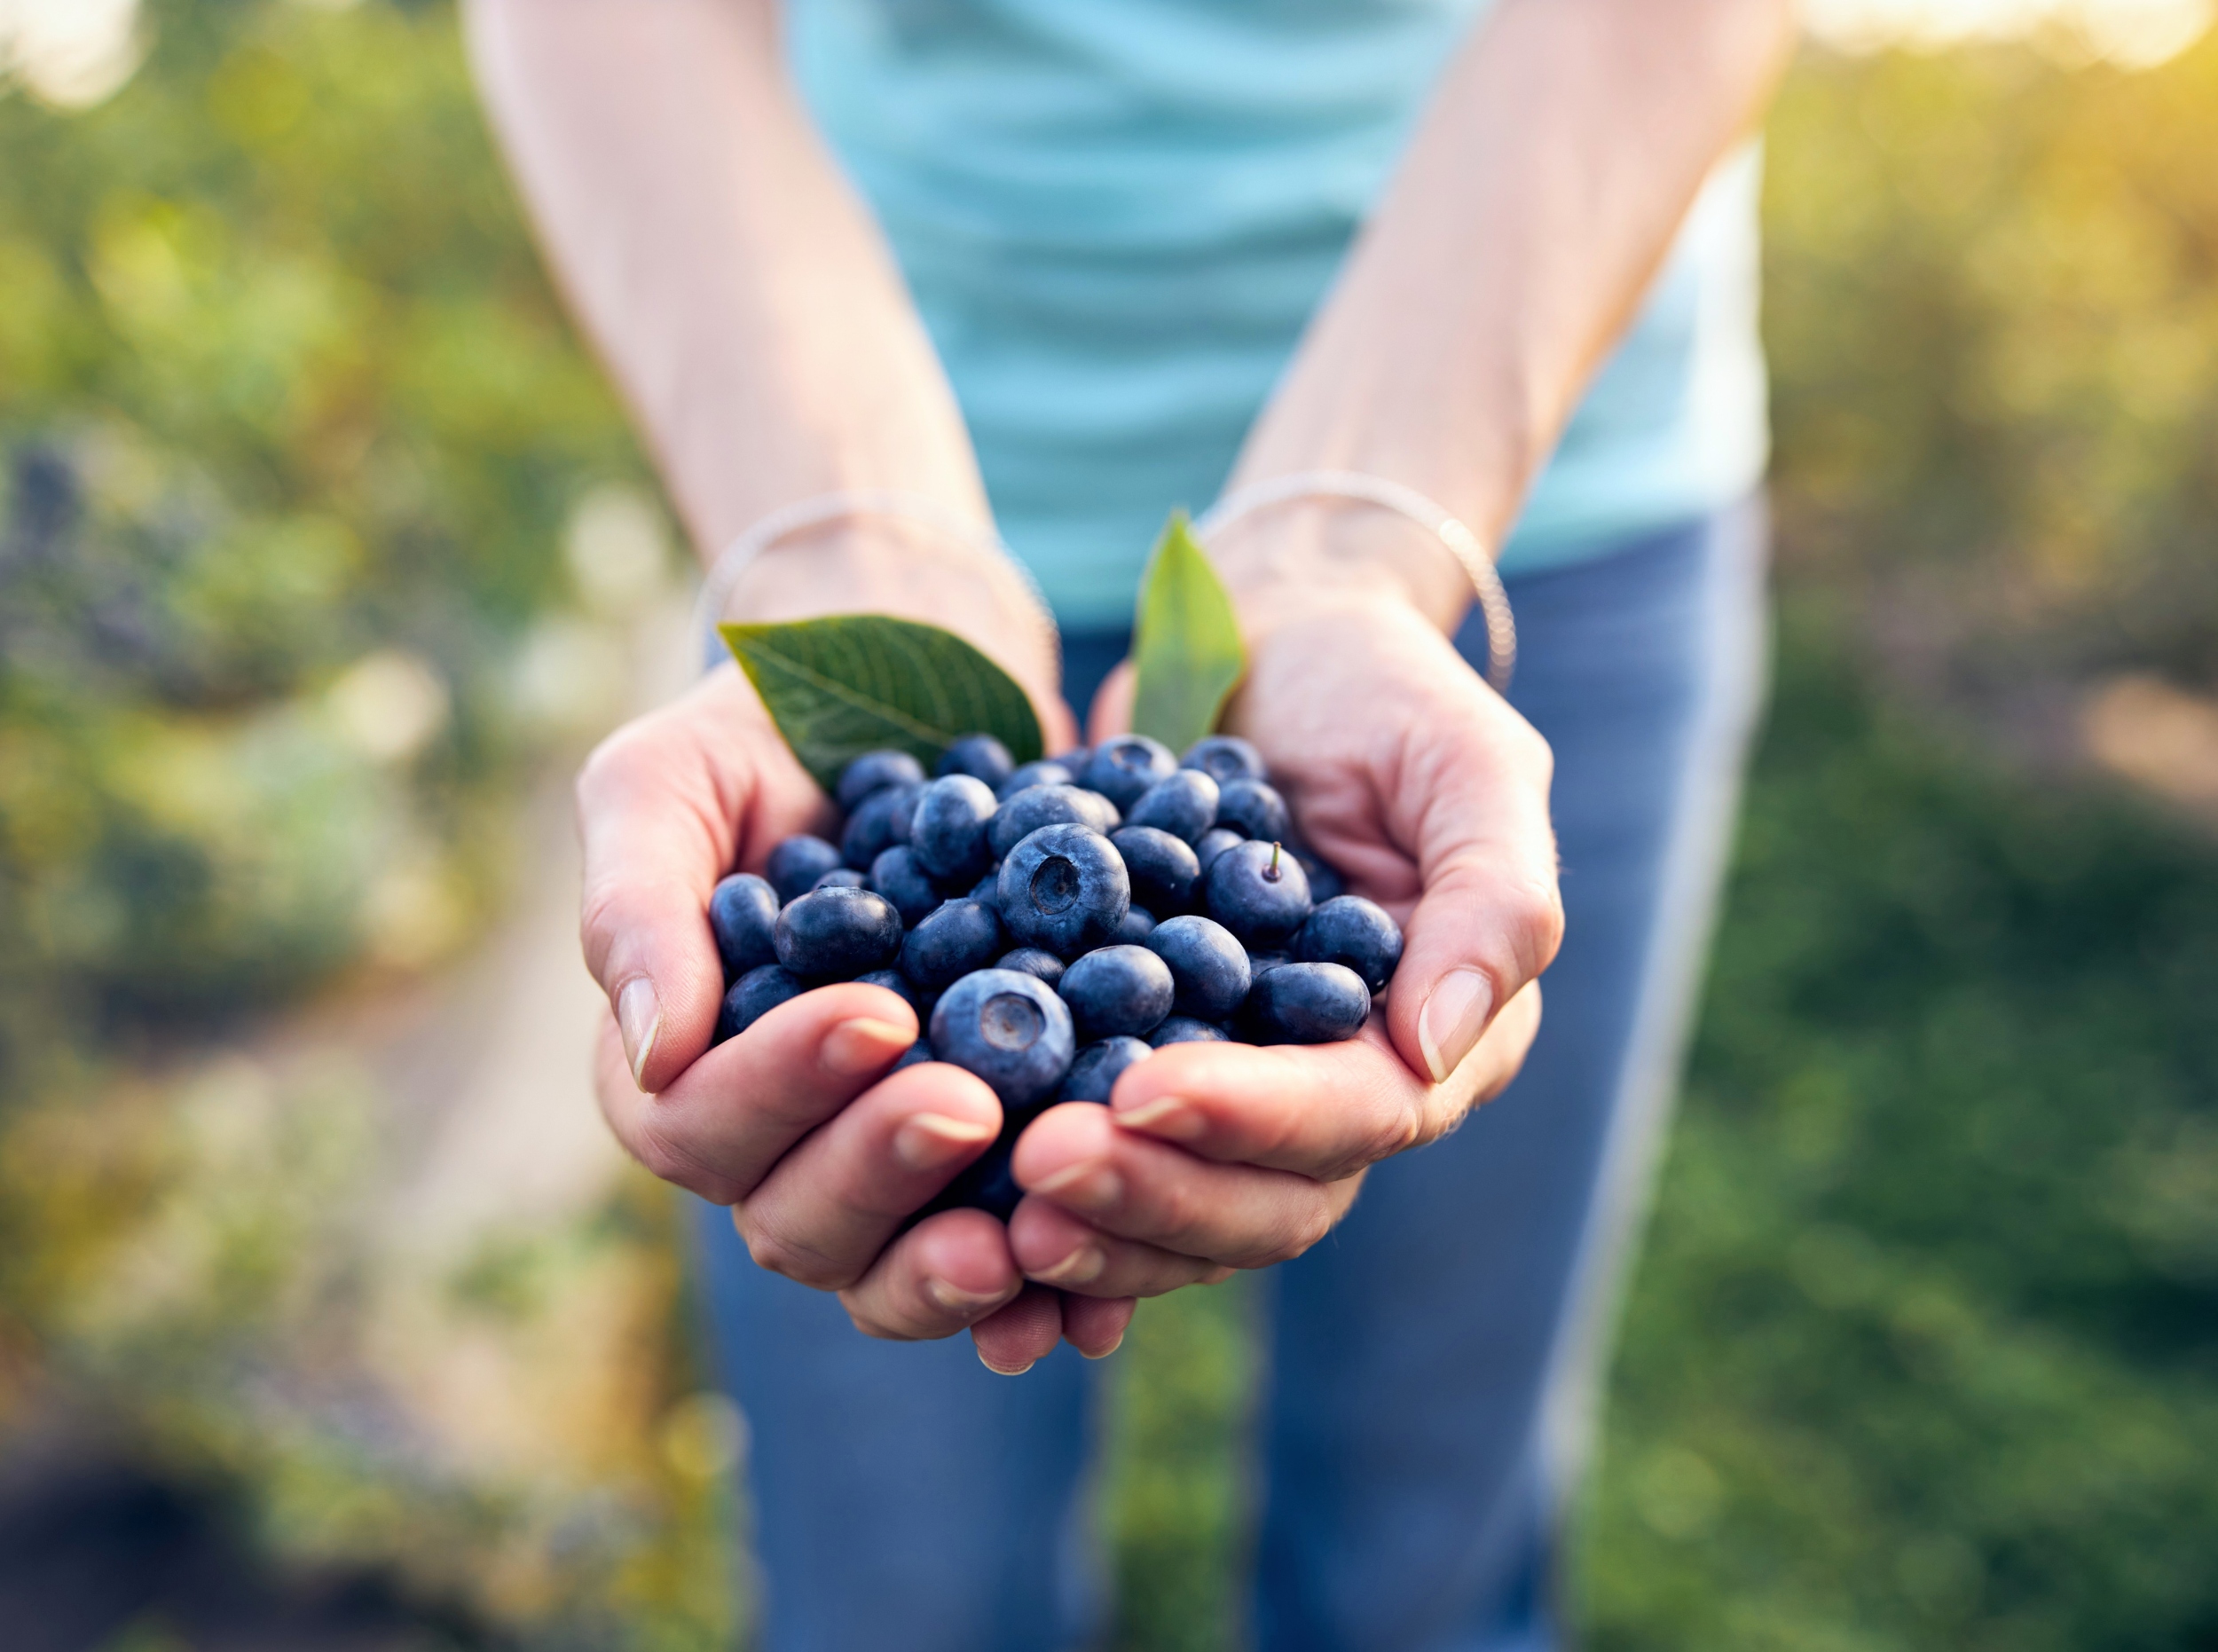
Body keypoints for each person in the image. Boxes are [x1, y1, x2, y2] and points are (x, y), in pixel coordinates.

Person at [467, 0, 1792, 1645]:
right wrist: (837, 548)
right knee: (897, 1586)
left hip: (1539, 465)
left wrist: (1351, 540)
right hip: (836, 445)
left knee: (1424, 1540)